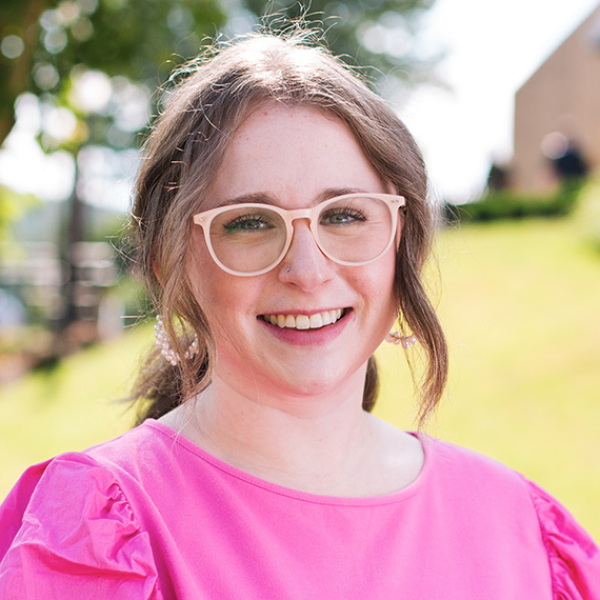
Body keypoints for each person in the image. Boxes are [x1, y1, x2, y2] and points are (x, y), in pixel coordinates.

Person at [0, 30, 599, 599]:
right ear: (168, 266)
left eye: (345, 215)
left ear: (402, 241)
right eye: (250, 223)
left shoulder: (522, 528)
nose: (307, 270)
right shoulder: (97, 531)